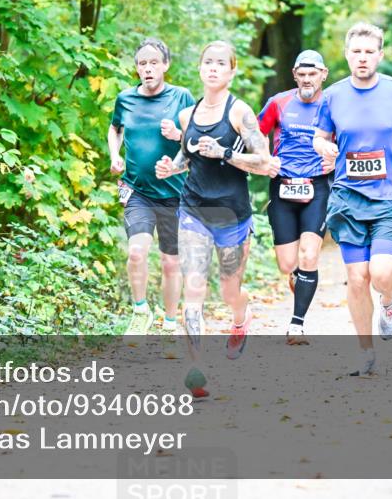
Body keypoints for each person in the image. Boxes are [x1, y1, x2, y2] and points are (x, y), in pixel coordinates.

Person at [155, 41, 270, 394]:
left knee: (229, 290)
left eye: (221, 63)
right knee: (194, 285)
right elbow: (188, 156)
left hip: (233, 215)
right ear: (200, 68)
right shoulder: (187, 115)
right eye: (208, 62)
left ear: (232, 72)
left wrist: (225, 153)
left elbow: (264, 162)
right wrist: (171, 167)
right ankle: (196, 367)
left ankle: (240, 319)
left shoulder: (239, 113)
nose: (213, 68)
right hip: (194, 210)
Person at [313, 22, 392, 376]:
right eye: (356, 52)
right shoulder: (332, 96)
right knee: (357, 277)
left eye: (369, 52)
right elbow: (319, 137)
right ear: (347, 55)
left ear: (380, 55)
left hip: (388, 196)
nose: (362, 58)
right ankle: (365, 350)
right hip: (347, 197)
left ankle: (389, 301)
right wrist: (324, 147)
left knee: (381, 275)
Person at [109, 38, 195, 335]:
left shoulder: (181, 97)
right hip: (138, 191)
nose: (148, 68)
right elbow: (115, 128)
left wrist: (178, 134)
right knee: (136, 252)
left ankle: (170, 324)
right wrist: (114, 155)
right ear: (137, 68)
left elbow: (198, 138)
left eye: (154, 63)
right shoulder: (125, 99)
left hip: (174, 193)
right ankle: (140, 311)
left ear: (165, 65)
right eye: (142, 63)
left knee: (171, 263)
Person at [258, 50, 335, 345]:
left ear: (323, 74)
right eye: (301, 74)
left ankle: (297, 324)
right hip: (283, 185)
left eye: (312, 74)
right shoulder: (278, 102)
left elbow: (350, 140)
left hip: (318, 185)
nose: (307, 79)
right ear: (294, 75)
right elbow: (256, 132)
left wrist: (335, 161)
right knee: (287, 264)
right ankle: (302, 279)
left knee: (309, 255)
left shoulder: (333, 105)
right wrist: (265, 158)